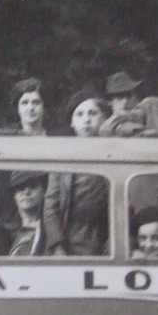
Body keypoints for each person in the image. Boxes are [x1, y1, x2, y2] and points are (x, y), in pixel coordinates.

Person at [44, 90, 110, 256]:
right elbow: (51, 206)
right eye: (79, 114)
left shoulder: (112, 153)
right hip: (68, 239)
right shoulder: (63, 159)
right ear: (72, 123)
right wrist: (57, 246)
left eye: (92, 113)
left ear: (103, 118)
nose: (86, 119)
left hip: (102, 240)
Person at [6, 171, 49, 257]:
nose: (26, 192)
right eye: (20, 187)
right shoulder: (5, 232)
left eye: (33, 186)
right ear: (14, 196)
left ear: (44, 192)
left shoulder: (51, 229)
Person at [98, 71, 146, 136]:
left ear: (137, 98)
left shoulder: (148, 117)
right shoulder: (105, 126)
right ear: (110, 103)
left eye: (129, 96)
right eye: (119, 98)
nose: (125, 101)